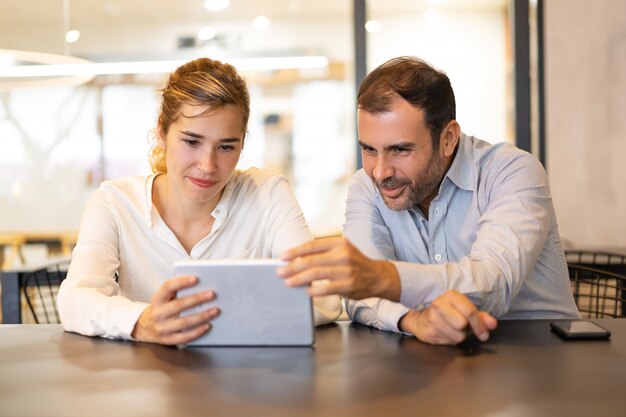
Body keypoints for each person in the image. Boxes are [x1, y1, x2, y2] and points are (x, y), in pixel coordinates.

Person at [278, 56, 580, 345]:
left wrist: (383, 277)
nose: (380, 172)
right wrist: (411, 320)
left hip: (541, 359)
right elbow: (360, 295)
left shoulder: (511, 171)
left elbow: (493, 283)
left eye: (400, 150)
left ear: (448, 138)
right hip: (434, 358)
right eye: (369, 149)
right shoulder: (365, 187)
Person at [57, 57, 341, 345]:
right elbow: (75, 300)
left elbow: (324, 297)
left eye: (226, 147)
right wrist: (143, 322)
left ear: (242, 144)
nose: (207, 165)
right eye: (192, 142)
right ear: (161, 133)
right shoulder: (115, 202)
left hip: (247, 380)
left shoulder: (267, 194)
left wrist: (218, 317)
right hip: (147, 379)